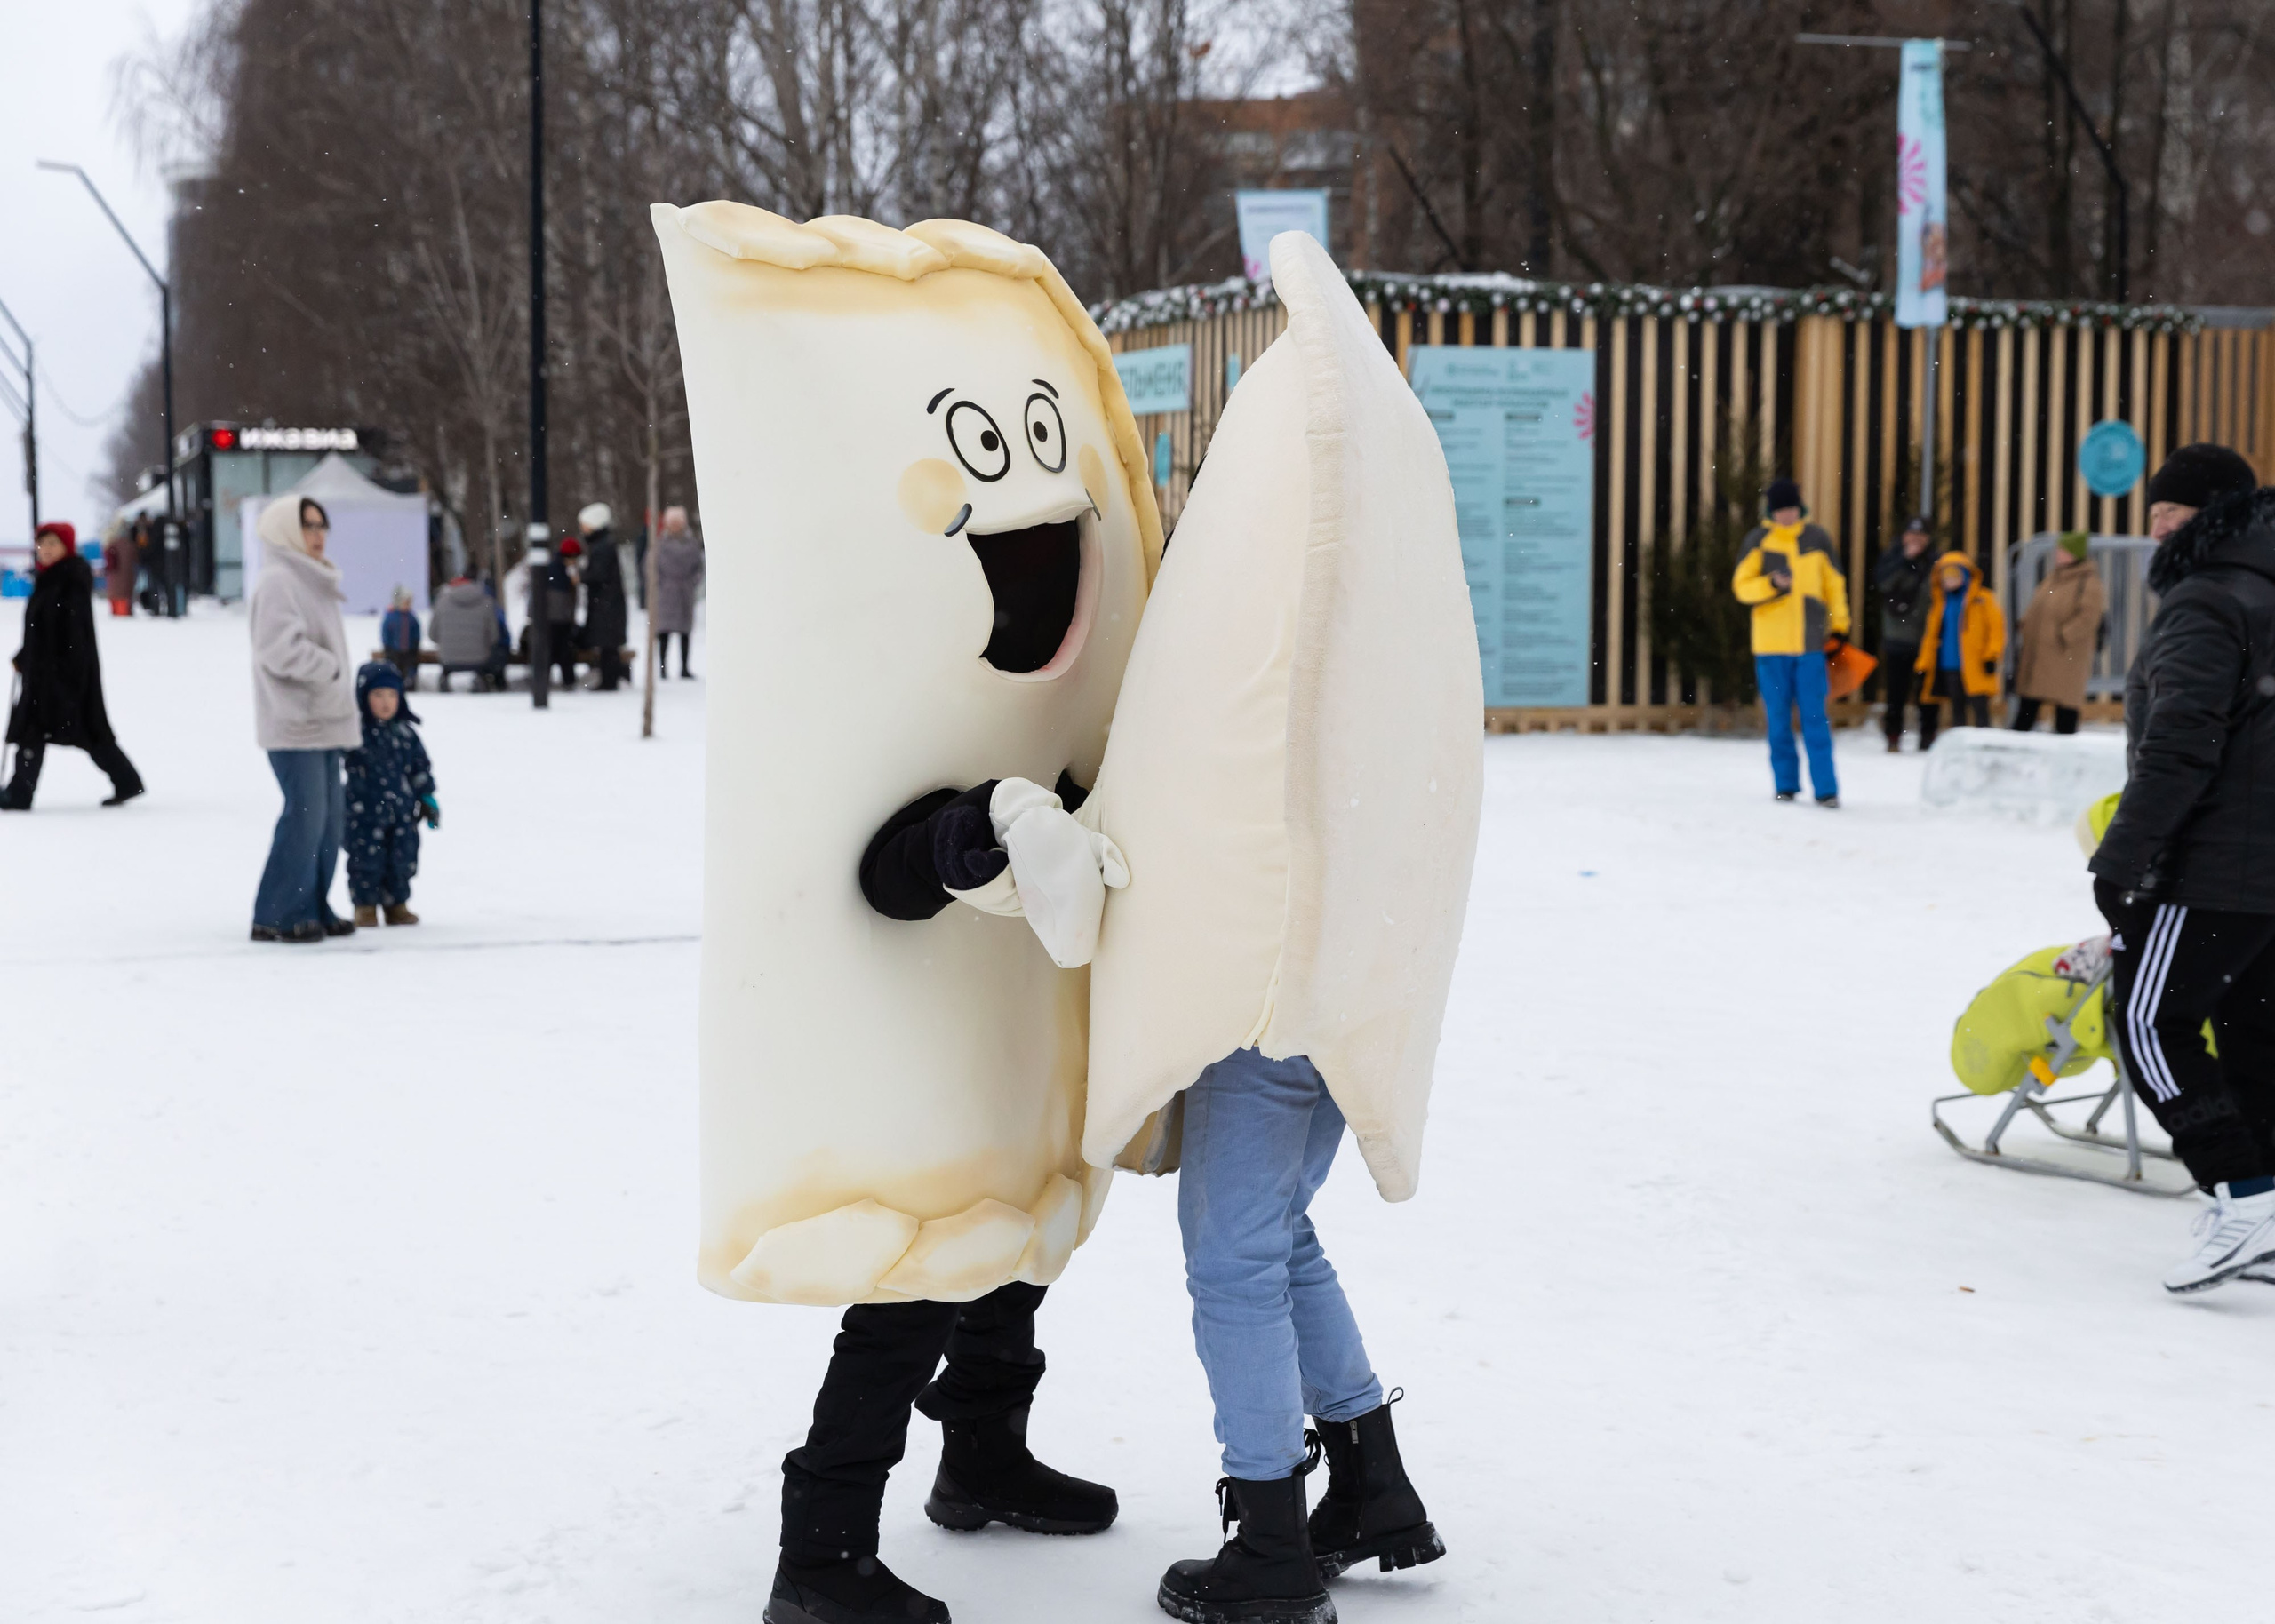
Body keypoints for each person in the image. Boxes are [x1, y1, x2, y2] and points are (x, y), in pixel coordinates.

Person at [2087, 442, 2275, 1292]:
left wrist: (2122, 862)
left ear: (2218, 518)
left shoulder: (2207, 599)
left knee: (2149, 1019)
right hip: (2261, 869)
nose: (2159, 532)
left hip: (2215, 863)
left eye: (2173, 518)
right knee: (2251, 1031)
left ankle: (2241, 1194)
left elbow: (2179, 747)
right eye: (2154, 518)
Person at [248, 496, 361, 943]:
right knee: (306, 817)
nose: (318, 534)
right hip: (295, 721)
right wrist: (329, 669)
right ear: (286, 531)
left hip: (324, 717)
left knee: (330, 820)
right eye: (308, 526)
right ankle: (278, 912)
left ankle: (312, 903)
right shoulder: (279, 579)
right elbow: (277, 648)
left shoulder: (311, 578)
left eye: (321, 526)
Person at [3, 521, 145, 810]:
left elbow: (72, 633)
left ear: (66, 547)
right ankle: (127, 781)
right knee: (85, 730)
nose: (45, 550)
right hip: (47, 671)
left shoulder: (69, 581)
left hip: (62, 674)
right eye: (41, 544)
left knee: (44, 729)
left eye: (53, 544)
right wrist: (25, 655)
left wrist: (66, 673)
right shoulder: (51, 579)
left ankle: (19, 794)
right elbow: (43, 629)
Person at [1731, 476, 1848, 807]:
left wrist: (1839, 627)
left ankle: (1826, 789)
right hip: (1770, 647)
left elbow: (1835, 586)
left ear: (1800, 507)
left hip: (1810, 645)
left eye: (1792, 508)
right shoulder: (1758, 540)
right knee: (1779, 720)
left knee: (1815, 718)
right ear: (1772, 510)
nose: (1787, 515)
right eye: (1781, 510)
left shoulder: (1818, 539)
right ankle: (1786, 784)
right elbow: (1741, 587)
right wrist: (1772, 584)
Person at [345, 661, 438, 927]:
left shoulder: (406, 734)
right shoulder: (355, 734)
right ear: (363, 698)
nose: (386, 702)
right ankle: (365, 906)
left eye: (392, 695)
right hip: (364, 813)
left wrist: (427, 797)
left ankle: (397, 904)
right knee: (366, 861)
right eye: (378, 695)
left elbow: (420, 768)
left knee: (403, 858)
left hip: (402, 813)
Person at [2012, 532, 2105, 735]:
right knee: (2030, 697)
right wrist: (2026, 625)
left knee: (2066, 702)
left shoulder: (2088, 582)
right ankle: (2019, 736)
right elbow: (2039, 606)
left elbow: (2089, 617)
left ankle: (2064, 744)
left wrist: (2064, 635)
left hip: (2064, 652)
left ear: (2075, 554)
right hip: (2041, 650)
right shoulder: (2054, 577)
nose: (2058, 554)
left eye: (2063, 551)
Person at [1914, 550, 2003, 743]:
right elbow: (1930, 637)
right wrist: (1923, 664)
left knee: (1980, 708)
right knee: (1957, 708)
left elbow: (1996, 629)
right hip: (1950, 663)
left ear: (1965, 575)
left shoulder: (1983, 598)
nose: (1949, 581)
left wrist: (1992, 654)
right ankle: (1961, 745)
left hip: (1976, 663)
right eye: (1946, 577)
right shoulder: (1940, 604)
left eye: (1954, 576)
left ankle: (1985, 743)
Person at [1874, 516, 1936, 752]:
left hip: (1927, 637)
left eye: (1921, 536)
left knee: (1927, 693)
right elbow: (1883, 584)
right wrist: (1904, 561)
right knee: (1896, 692)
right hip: (1897, 636)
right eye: (1912, 535)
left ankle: (1927, 736)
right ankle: (1893, 736)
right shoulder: (1892, 557)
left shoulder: (1935, 561)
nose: (1916, 540)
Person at [577, 502, 629, 691]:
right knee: (608, 646)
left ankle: (609, 682)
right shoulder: (603, 544)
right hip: (607, 605)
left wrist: (580, 576)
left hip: (606, 606)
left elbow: (598, 575)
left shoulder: (602, 547)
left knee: (608, 646)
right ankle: (609, 680)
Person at [651, 506, 704, 679]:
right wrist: (661, 585)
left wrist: (691, 583)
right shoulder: (660, 543)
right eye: (672, 522)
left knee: (685, 632)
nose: (675, 525)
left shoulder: (691, 543)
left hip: (685, 593)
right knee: (664, 633)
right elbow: (651, 568)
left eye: (678, 522)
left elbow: (699, 568)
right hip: (666, 594)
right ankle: (662, 668)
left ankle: (684, 668)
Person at [431, 574, 508, 691]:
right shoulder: (487, 602)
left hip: (448, 658)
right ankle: (485, 679)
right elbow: (494, 636)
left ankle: (445, 677)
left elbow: (432, 635)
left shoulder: (442, 602)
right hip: (480, 658)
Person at [542, 536, 581, 689]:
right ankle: (568, 681)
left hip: (552, 617)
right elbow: (564, 597)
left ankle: (546, 680)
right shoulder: (561, 571)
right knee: (564, 650)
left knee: (552, 650)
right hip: (558, 617)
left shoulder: (553, 567)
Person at [380, 586, 423, 690]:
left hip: (410, 649)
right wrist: (387, 645)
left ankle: (410, 682)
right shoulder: (391, 617)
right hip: (394, 649)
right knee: (395, 666)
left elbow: (416, 631)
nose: (408, 605)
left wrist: (416, 643)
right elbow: (386, 632)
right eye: (406, 602)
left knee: (410, 665)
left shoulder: (411, 617)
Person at [101, 526, 137, 617]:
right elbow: (136, 559)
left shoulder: (111, 545)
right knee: (123, 598)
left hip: (114, 578)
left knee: (116, 598)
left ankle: (117, 612)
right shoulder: (130, 545)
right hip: (126, 579)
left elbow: (108, 562)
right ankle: (123, 612)